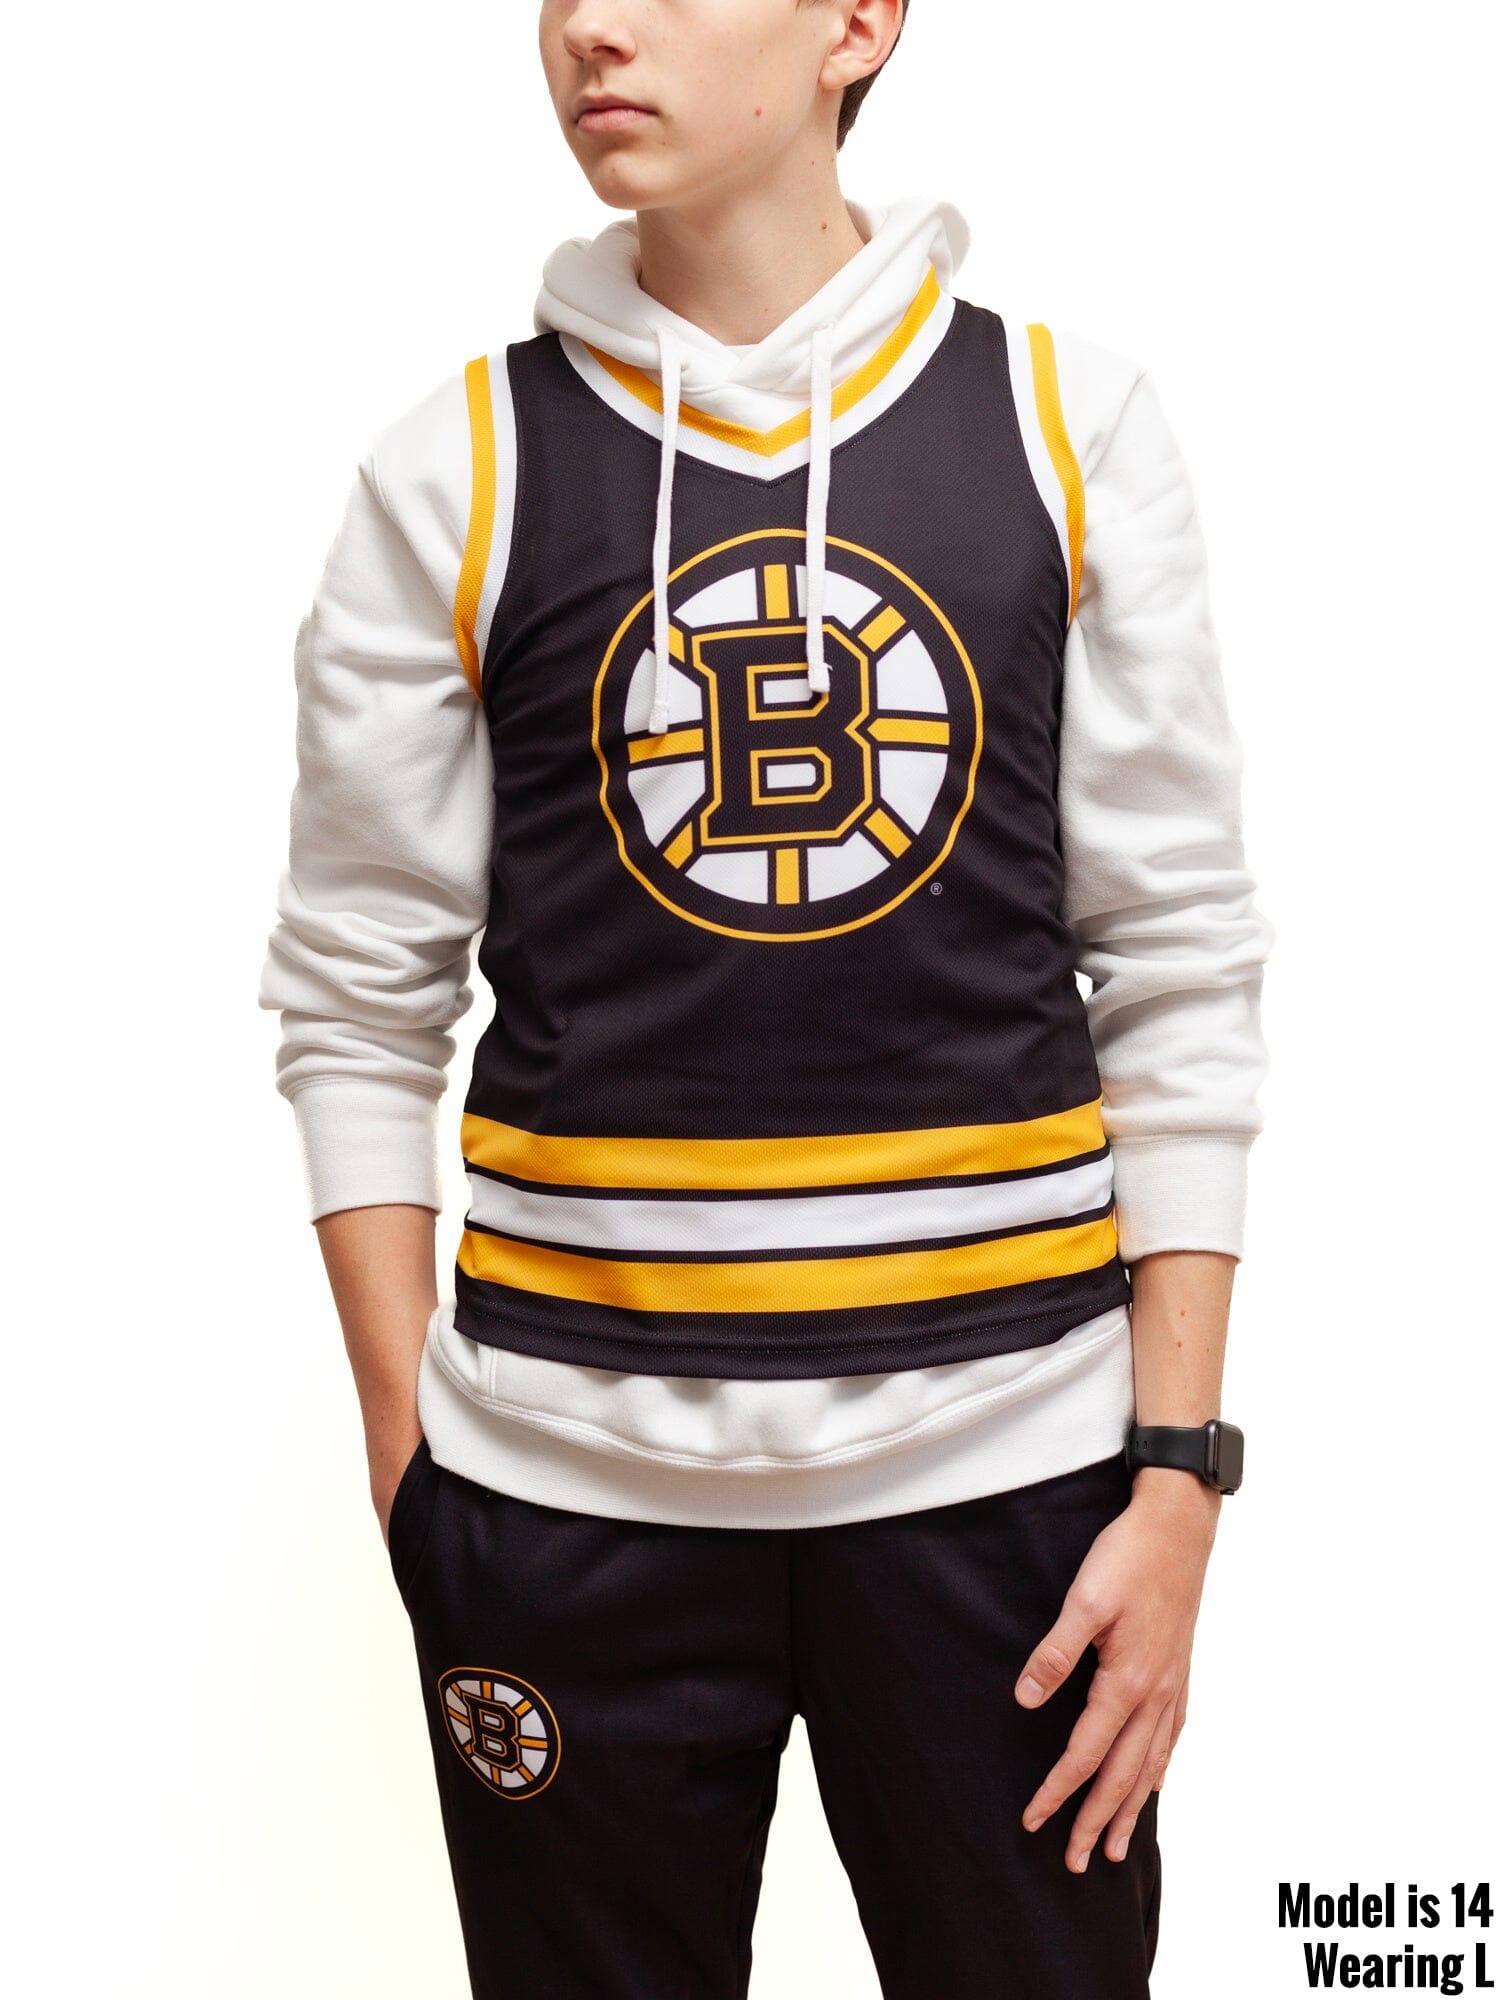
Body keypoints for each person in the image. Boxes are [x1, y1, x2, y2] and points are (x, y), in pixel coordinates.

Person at [258, 2, 1272, 1993]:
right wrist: (416, 1471)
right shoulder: (453, 470)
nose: (588, 27)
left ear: (858, 25)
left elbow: (1178, 965)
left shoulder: (1068, 429)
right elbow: (356, 996)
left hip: (1018, 1501)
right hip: (557, 1511)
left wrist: (1177, 1478)